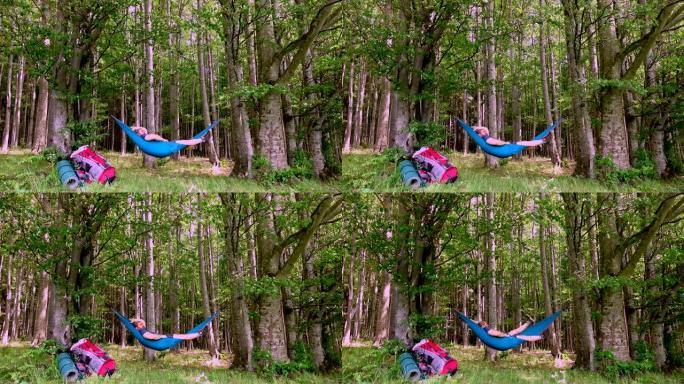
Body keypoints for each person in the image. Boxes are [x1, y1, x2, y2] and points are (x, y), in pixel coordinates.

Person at [129, 318, 203, 341]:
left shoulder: (142, 328)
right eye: (140, 323)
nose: (142, 324)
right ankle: (198, 334)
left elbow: (143, 321)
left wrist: (136, 320)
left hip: (164, 337)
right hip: (164, 338)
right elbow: (150, 336)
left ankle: (198, 333)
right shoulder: (142, 332)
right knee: (182, 336)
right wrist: (160, 336)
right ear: (137, 327)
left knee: (183, 336)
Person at [472, 126, 547, 147]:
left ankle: (543, 140)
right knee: (527, 143)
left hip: (509, 144)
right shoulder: (487, 139)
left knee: (527, 142)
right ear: (480, 134)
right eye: (482, 131)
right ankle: (543, 140)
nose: (484, 131)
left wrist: (479, 128)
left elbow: (486, 128)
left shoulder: (486, 136)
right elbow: (496, 143)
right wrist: (505, 143)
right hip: (509, 145)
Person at [130, 126, 205, 146]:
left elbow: (144, 129)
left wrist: (138, 128)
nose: (142, 130)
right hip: (168, 144)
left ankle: (202, 139)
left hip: (168, 144)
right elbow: (154, 136)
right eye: (140, 130)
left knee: (185, 142)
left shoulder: (144, 135)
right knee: (185, 142)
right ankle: (202, 139)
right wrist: (163, 139)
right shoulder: (145, 137)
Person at [477, 320, 543, 342]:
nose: (487, 324)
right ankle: (540, 337)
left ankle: (529, 322)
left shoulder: (484, 328)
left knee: (517, 330)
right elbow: (495, 333)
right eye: (486, 323)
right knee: (524, 337)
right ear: (484, 324)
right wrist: (505, 335)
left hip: (506, 335)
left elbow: (477, 322)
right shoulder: (487, 329)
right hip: (506, 337)